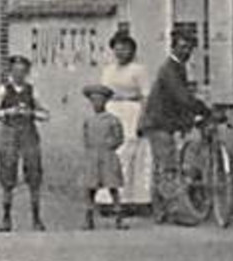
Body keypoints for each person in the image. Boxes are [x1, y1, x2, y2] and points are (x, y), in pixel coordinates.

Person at [138, 29, 210, 226]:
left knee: (161, 166)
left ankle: (160, 211)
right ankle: (179, 212)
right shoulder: (170, 69)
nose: (185, 51)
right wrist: (203, 109)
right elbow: (181, 97)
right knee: (168, 166)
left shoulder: (177, 68)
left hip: (160, 123)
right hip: (159, 123)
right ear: (174, 47)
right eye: (182, 46)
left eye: (189, 47)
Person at [0, 55, 49, 232]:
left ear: (27, 73)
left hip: (29, 134)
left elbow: (46, 114)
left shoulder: (32, 91)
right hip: (9, 134)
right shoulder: (2, 90)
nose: (18, 74)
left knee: (34, 174)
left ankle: (36, 218)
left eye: (22, 71)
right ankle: (6, 218)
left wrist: (31, 113)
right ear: (10, 72)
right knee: (7, 175)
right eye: (15, 71)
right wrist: (8, 112)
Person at [99, 30, 152, 208]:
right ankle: (108, 198)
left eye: (125, 49)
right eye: (117, 49)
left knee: (130, 154)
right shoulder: (108, 70)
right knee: (110, 154)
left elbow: (145, 96)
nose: (121, 52)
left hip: (131, 111)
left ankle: (133, 199)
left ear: (132, 51)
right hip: (112, 109)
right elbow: (102, 93)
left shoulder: (138, 70)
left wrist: (143, 118)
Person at [81, 84, 127, 230]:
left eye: (100, 101)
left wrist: (110, 145)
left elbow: (119, 138)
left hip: (108, 156)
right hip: (93, 157)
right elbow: (85, 138)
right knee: (90, 188)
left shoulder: (112, 120)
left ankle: (119, 218)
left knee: (113, 186)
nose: (97, 104)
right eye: (93, 101)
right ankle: (88, 220)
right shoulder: (89, 121)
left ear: (105, 102)